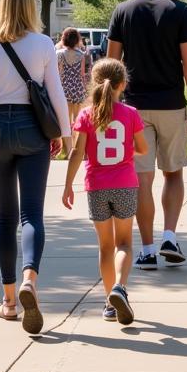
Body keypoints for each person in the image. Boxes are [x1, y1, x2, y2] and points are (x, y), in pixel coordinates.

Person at [0, 0, 71, 335]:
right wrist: (64, 134)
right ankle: (30, 279)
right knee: (31, 215)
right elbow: (55, 92)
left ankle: (9, 301)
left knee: (4, 217)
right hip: (32, 127)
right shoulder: (43, 45)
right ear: (32, 8)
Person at [107, 0, 187, 270]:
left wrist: (110, 106)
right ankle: (169, 236)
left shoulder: (123, 10)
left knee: (140, 179)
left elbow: (111, 65)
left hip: (133, 106)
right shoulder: (181, 11)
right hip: (171, 104)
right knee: (173, 172)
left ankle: (147, 248)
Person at [62, 58, 147, 323]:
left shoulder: (87, 115)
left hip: (96, 186)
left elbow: (77, 152)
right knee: (124, 243)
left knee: (105, 246)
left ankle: (109, 301)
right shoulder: (131, 113)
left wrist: (67, 185)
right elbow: (143, 148)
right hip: (124, 184)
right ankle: (121, 288)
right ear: (123, 84)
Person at [56, 27, 88, 158]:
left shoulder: (59, 54)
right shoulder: (81, 55)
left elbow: (59, 73)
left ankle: (65, 149)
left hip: (64, 89)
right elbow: (81, 74)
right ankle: (77, 147)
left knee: (65, 120)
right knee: (77, 120)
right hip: (78, 89)